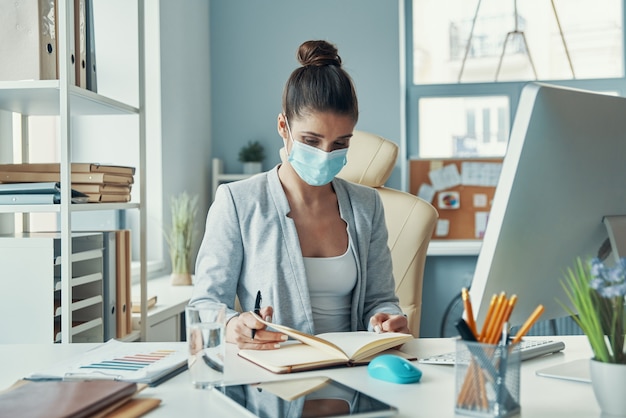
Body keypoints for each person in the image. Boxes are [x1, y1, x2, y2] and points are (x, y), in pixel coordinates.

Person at [190, 40, 409, 352]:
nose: (324, 155)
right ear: (283, 127)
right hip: (275, 379)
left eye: (339, 143)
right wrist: (230, 324)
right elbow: (205, 305)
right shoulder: (238, 202)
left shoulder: (367, 206)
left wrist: (388, 318)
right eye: (311, 140)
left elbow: (380, 300)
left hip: (353, 377)